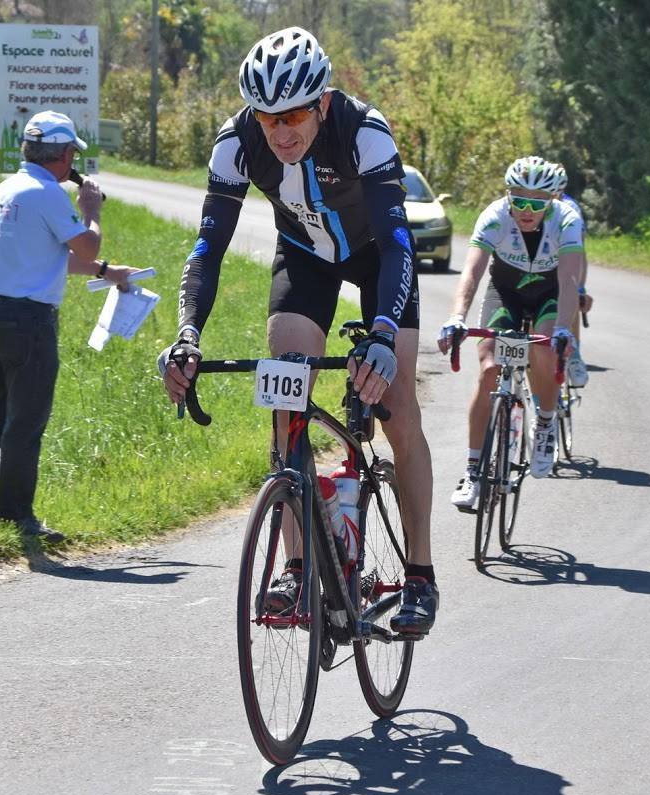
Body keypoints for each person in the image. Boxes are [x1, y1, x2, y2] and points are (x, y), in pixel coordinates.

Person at [158, 27, 440, 636]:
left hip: (377, 259)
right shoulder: (236, 142)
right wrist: (187, 335)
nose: (280, 133)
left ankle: (420, 574)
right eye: (268, 119)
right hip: (305, 258)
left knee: (397, 407)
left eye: (292, 117)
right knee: (285, 395)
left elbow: (398, 244)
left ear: (322, 104)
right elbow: (209, 247)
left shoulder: (364, 131)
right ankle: (295, 567)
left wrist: (383, 335)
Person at [0, 110, 139, 542]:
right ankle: (15, 514)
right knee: (26, 421)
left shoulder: (8, 188)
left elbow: (50, 257)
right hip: (30, 322)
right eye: (73, 153)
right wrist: (91, 210)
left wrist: (105, 271)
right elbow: (87, 243)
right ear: (64, 154)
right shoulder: (48, 195)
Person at [438, 155, 587, 507]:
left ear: (552, 200)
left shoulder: (566, 220)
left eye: (537, 202)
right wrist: (457, 316)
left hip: (549, 293)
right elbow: (472, 272)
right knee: (489, 368)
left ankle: (545, 423)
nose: (526, 210)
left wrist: (564, 330)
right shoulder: (495, 216)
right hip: (505, 292)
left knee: (544, 348)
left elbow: (568, 281)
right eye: (519, 199)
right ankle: (472, 472)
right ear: (508, 195)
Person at [548, 162, 591, 388]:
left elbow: (580, 253)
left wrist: (580, 286)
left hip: (564, 261)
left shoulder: (570, 208)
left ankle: (575, 357)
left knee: (569, 296)